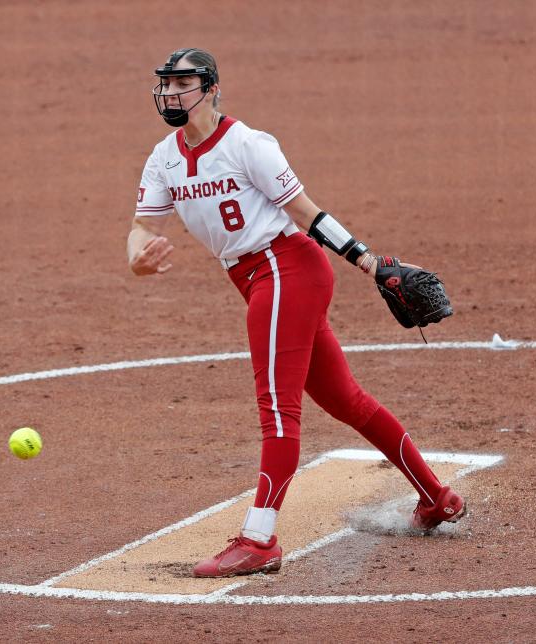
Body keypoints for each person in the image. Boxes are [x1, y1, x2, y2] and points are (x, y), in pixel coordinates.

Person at [127, 48, 465, 578]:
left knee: (278, 409)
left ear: (212, 89)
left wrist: (371, 263)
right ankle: (436, 496)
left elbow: (307, 214)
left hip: (286, 271)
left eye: (183, 83)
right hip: (256, 279)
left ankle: (259, 539)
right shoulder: (163, 157)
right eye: (165, 85)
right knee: (346, 400)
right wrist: (137, 259)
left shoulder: (248, 145)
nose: (171, 93)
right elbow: (144, 227)